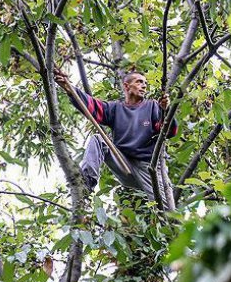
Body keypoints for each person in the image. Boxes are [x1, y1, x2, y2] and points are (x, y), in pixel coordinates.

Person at [54, 69, 178, 210]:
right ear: (126, 86)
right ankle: (86, 183)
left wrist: (165, 110)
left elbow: (169, 131)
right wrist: (68, 87)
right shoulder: (116, 109)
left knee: (168, 214)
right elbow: (92, 107)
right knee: (98, 139)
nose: (144, 86)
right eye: (139, 82)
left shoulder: (153, 106)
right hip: (124, 164)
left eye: (145, 83)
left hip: (149, 169)